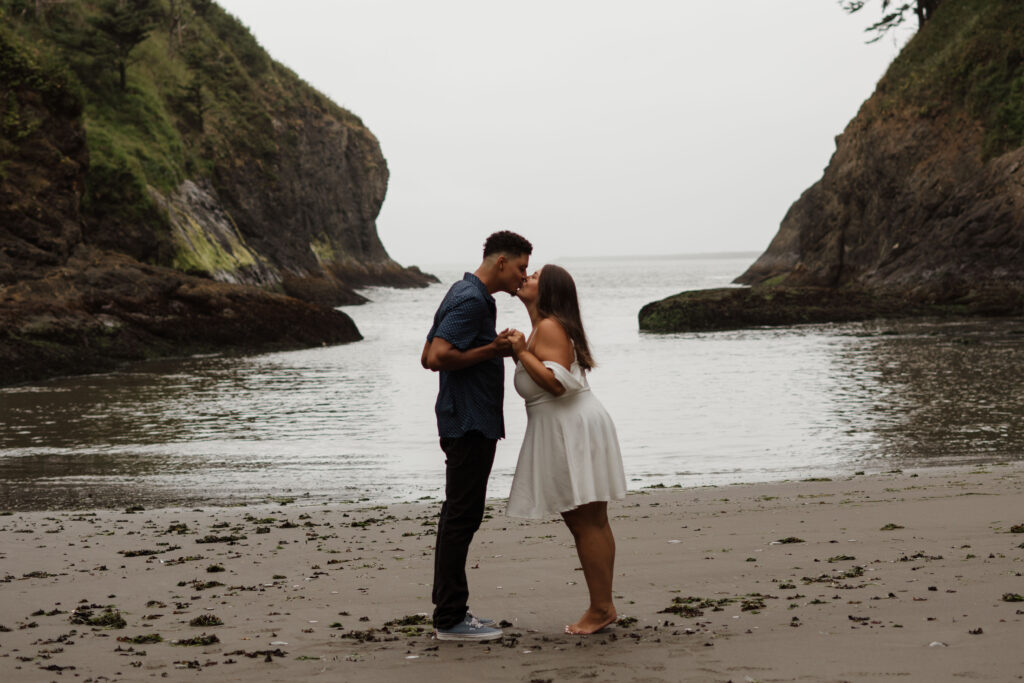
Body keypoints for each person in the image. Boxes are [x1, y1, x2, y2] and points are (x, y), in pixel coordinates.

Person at [421, 230, 532, 641]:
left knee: (458, 516)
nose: (523, 277)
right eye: (520, 267)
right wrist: (494, 350)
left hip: (461, 419)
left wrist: (485, 347)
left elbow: (426, 354)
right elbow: (436, 357)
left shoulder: (462, 292)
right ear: (500, 261)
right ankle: (450, 618)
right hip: (468, 422)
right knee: (461, 519)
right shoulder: (471, 299)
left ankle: (450, 613)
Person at [505, 264, 627, 635]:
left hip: (570, 426)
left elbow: (557, 384)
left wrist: (521, 352)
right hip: (573, 424)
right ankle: (603, 605)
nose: (527, 276)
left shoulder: (549, 327)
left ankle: (600, 608)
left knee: (585, 522)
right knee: (591, 521)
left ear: (550, 290)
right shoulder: (548, 326)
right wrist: (520, 350)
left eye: (536, 274)